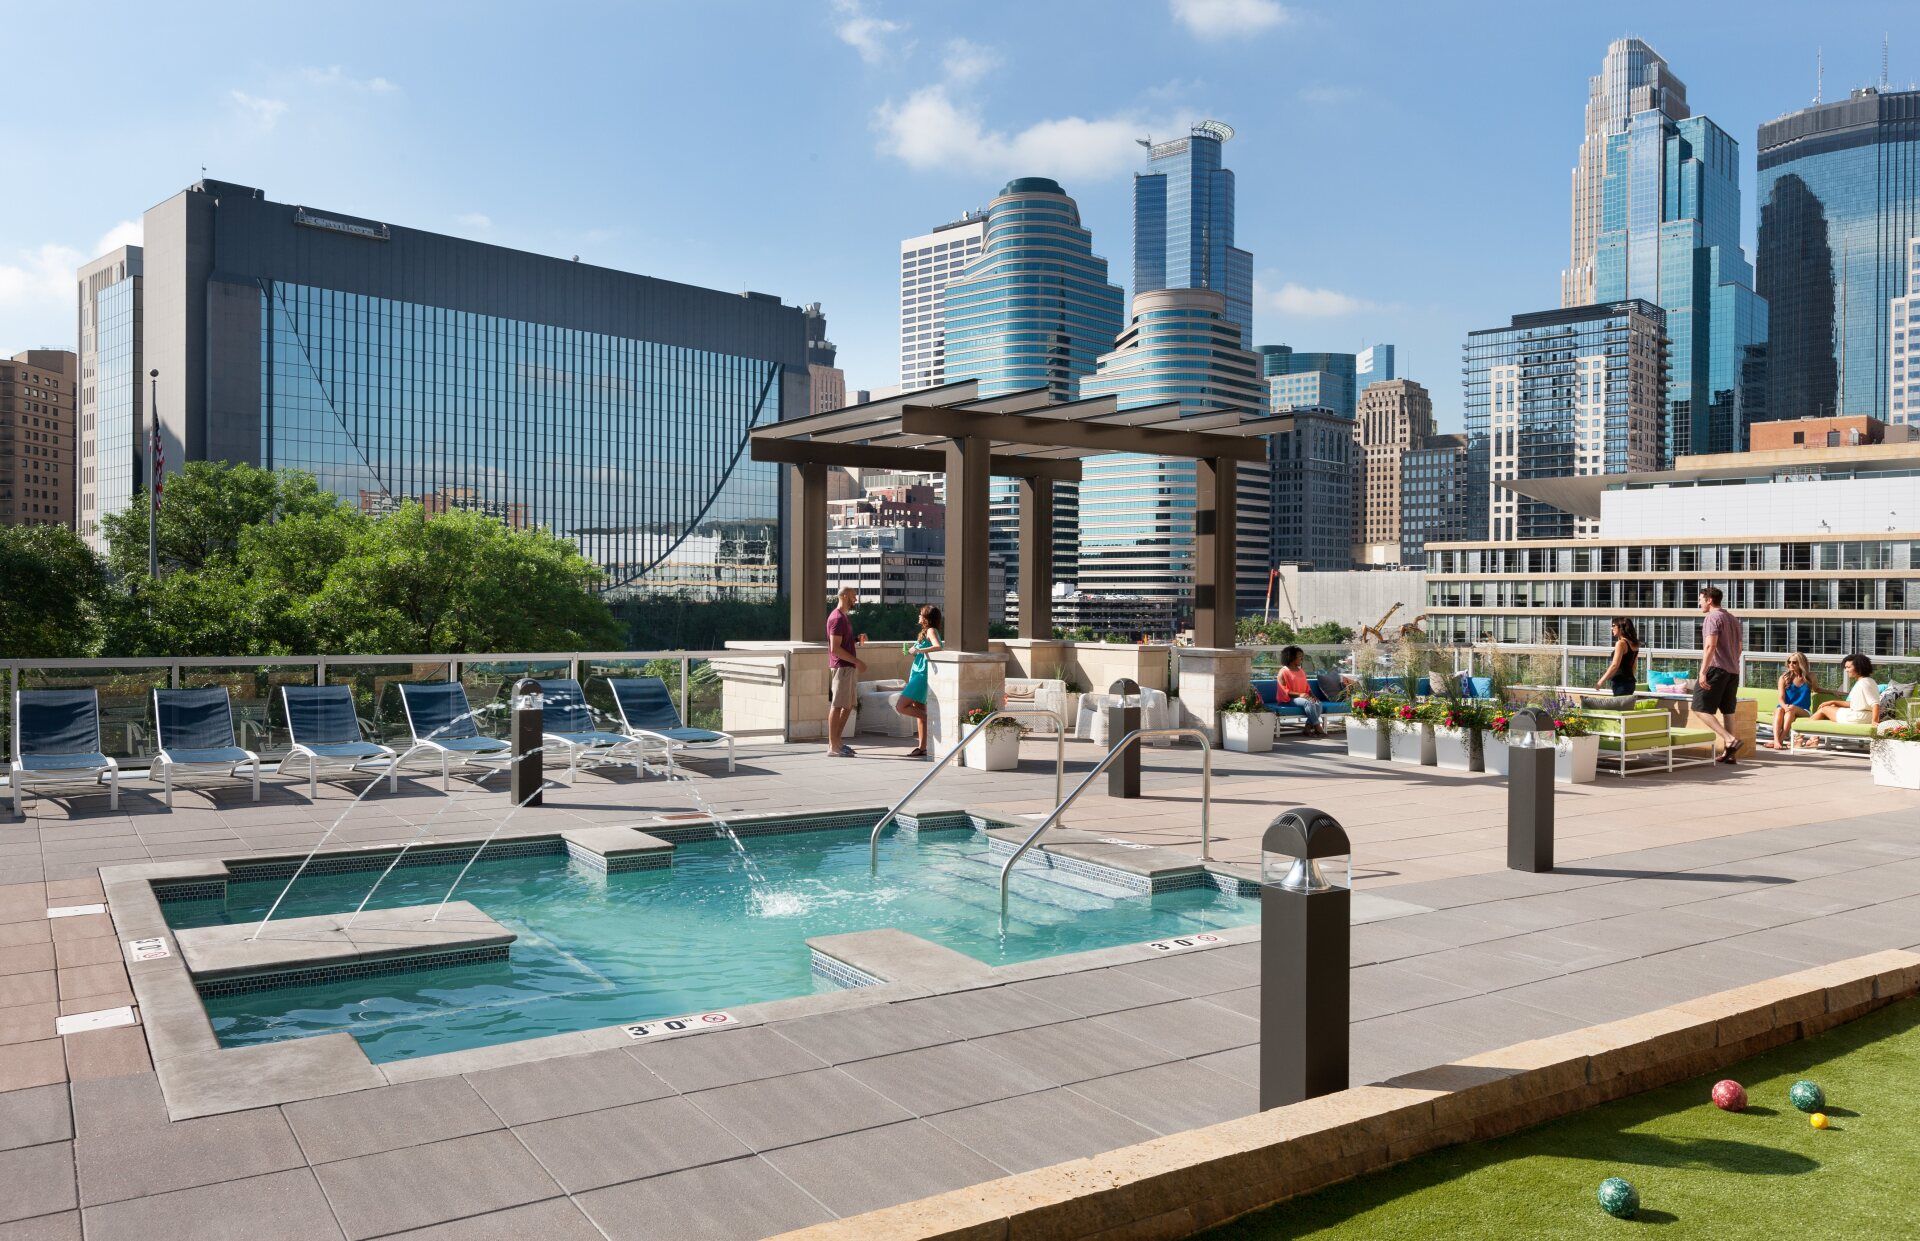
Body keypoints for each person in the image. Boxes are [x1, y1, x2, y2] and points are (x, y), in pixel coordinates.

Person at [1693, 586, 1745, 764]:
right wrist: (1731, 662)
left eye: (1700, 600)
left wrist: (1703, 672)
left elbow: (1710, 646)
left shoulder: (1712, 618)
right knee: (1728, 711)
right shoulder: (1733, 619)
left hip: (1716, 669)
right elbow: (1739, 648)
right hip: (1733, 670)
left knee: (1699, 707)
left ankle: (1730, 739)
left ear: (1709, 600)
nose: (1699, 603)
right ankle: (1731, 754)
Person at [893, 605, 943, 757]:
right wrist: (913, 651)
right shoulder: (925, 632)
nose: (919, 616)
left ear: (927, 618)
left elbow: (938, 647)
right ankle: (922, 748)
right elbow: (924, 651)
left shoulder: (931, 630)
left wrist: (919, 650)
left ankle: (931, 718)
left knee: (901, 706)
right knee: (919, 712)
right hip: (917, 673)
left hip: (922, 675)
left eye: (921, 614)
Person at [824, 587, 865, 758]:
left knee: (847, 705)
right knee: (837, 706)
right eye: (854, 595)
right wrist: (857, 661)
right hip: (842, 667)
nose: (856, 599)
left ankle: (837, 742)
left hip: (847, 668)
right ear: (845, 596)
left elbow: (842, 643)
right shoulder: (837, 618)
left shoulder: (844, 617)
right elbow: (835, 648)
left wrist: (855, 639)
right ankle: (833, 747)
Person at [1807, 653, 1881, 735]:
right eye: (1845, 667)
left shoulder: (1864, 683)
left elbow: (1875, 704)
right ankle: (1814, 734)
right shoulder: (1868, 681)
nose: (1846, 670)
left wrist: (1874, 721)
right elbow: (1854, 704)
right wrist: (1833, 702)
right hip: (1862, 716)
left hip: (1858, 717)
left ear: (1859, 668)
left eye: (1849, 667)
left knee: (1824, 709)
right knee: (1832, 707)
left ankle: (1805, 731)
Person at [1762, 653, 1820, 750]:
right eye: (1789, 662)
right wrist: (1784, 707)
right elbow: (1780, 698)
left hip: (1804, 710)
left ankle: (1779, 740)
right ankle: (1776, 740)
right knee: (1779, 710)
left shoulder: (1810, 676)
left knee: (1791, 708)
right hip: (1787, 708)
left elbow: (1817, 689)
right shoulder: (1784, 678)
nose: (1790, 664)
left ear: (1801, 663)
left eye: (1794, 662)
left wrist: (1833, 692)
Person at [1277, 645, 1325, 737]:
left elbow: (1307, 687)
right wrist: (1300, 695)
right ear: (1291, 657)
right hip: (1289, 699)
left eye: (1302, 656)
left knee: (1318, 703)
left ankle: (1307, 728)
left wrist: (1313, 696)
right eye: (1299, 656)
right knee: (1308, 703)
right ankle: (1318, 727)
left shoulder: (1301, 671)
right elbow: (1284, 691)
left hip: (1302, 697)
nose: (1302, 659)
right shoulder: (1283, 672)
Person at [1594, 617, 1641, 697]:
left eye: (1613, 626)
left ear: (1621, 628)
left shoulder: (1620, 643)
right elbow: (1634, 666)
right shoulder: (1634, 644)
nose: (1611, 628)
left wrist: (1601, 681)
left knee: (1619, 705)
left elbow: (1615, 665)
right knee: (1626, 705)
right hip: (1630, 683)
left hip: (1621, 683)